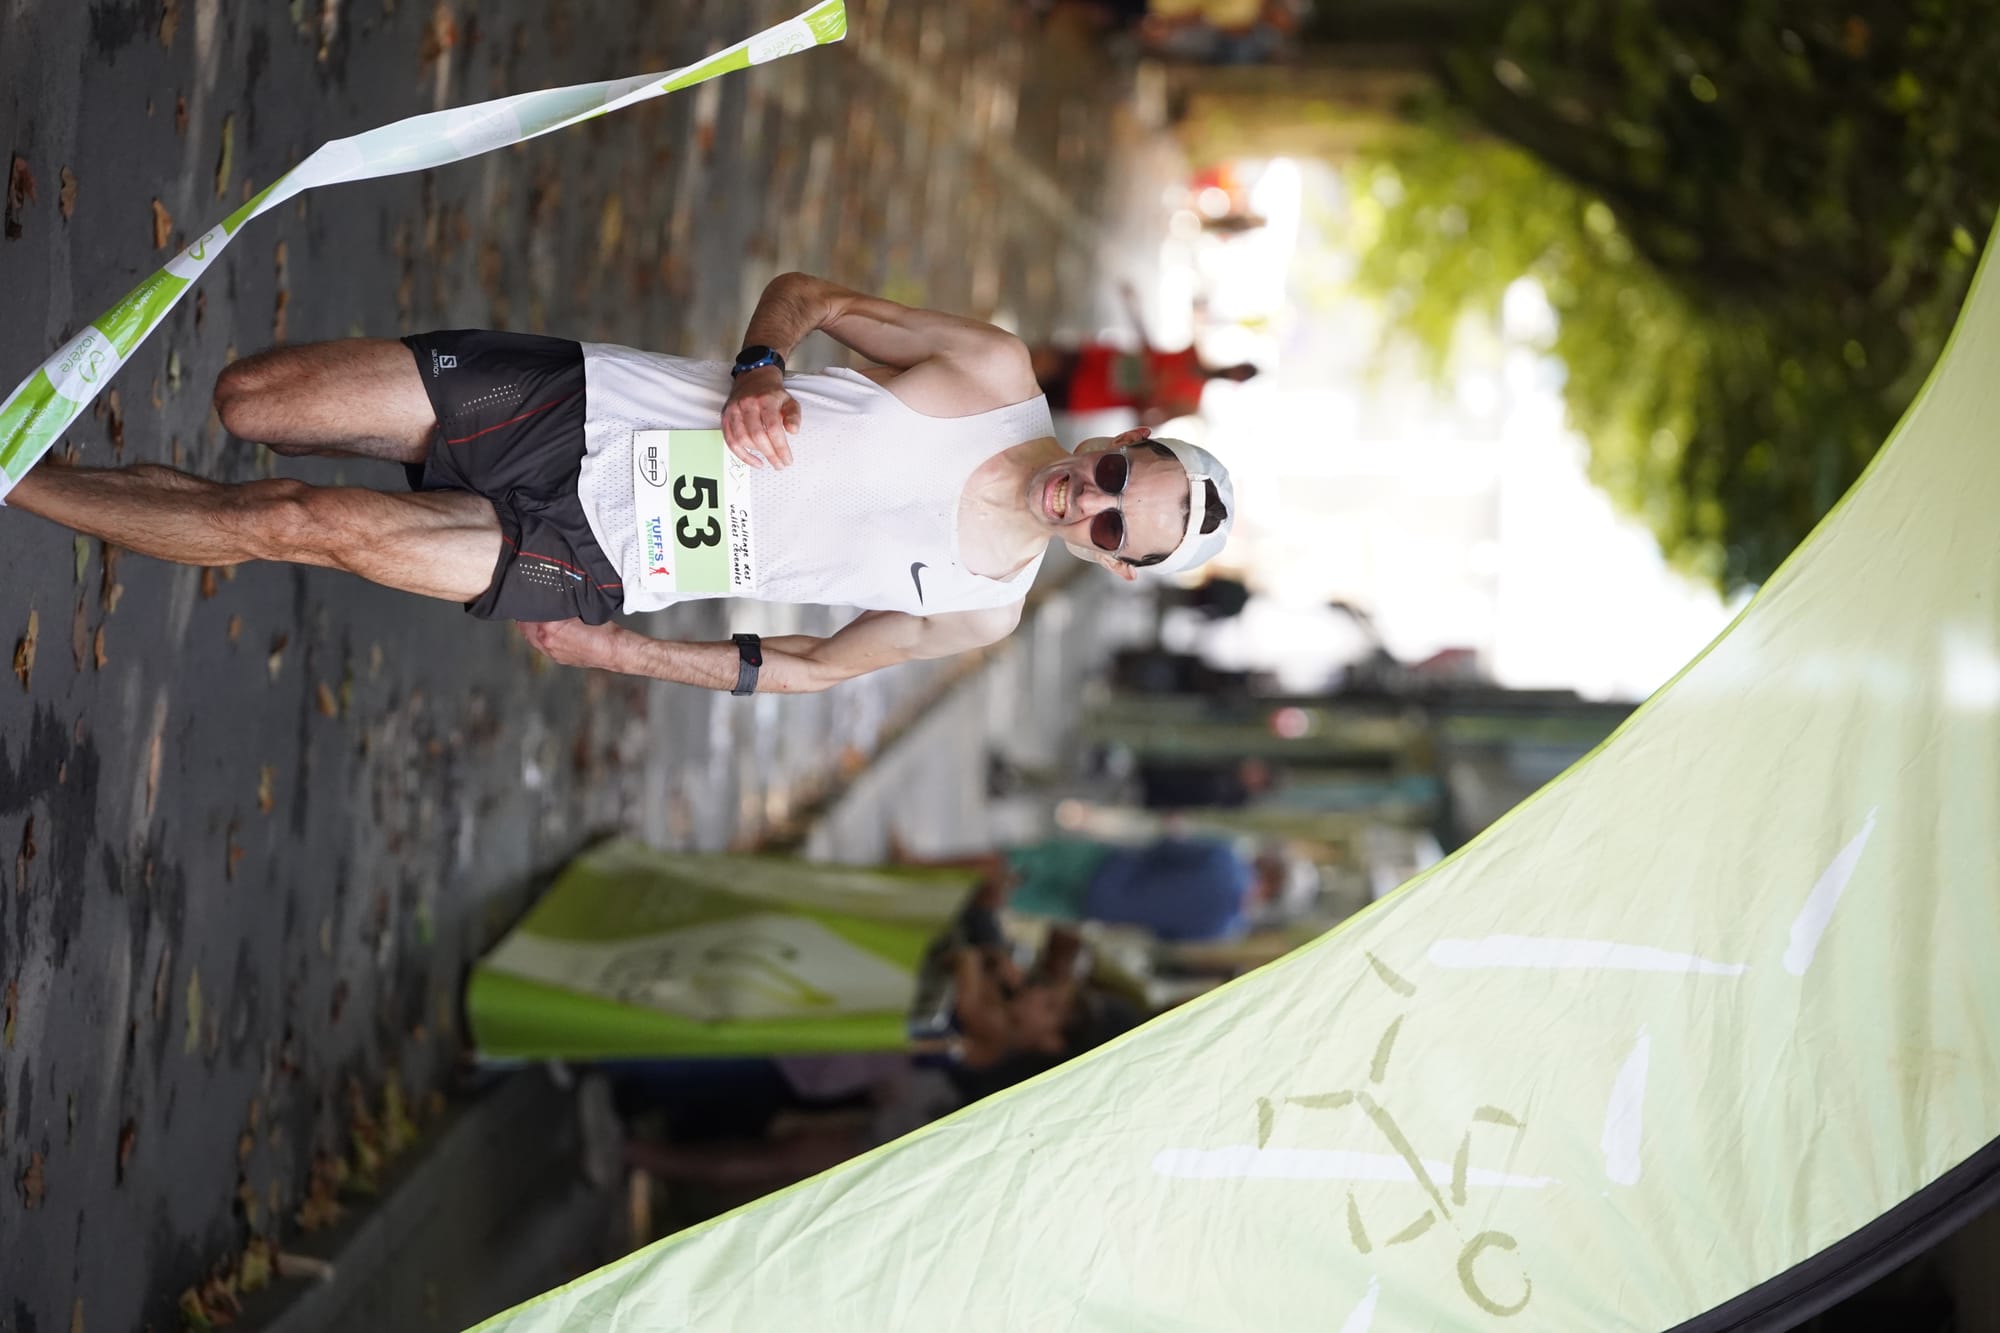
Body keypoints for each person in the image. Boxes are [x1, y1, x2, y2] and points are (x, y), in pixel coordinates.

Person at [7, 272, 1235, 695]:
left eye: (1122, 526)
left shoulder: (984, 607)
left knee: (294, 521)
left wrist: (633, 658)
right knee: (252, 404)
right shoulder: (991, 371)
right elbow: (812, 296)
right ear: (1118, 437)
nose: (1096, 498)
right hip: (581, 404)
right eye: (1122, 471)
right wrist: (762, 365)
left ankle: (17, 477)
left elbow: (807, 668)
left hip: (602, 565)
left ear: (1116, 563)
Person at [1031, 282, 1257, 428]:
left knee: (1027, 394)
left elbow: (1148, 421)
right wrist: (1133, 308)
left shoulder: (1190, 403)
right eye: (1241, 368)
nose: (1235, 372)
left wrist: (1147, 396)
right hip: (1094, 359)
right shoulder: (1192, 353)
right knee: (1032, 361)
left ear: (1237, 381)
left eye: (1241, 374)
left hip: (1087, 394)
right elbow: (1148, 348)